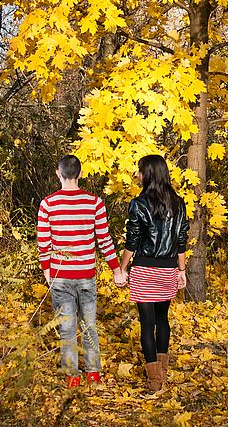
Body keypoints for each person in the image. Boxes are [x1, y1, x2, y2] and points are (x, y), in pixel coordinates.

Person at [37, 154, 127, 388]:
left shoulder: (48, 204)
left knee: (67, 329)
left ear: (58, 173)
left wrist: (47, 270)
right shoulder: (94, 203)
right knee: (89, 325)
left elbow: (43, 242)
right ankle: (93, 372)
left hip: (60, 276)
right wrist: (116, 269)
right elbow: (104, 240)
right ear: (80, 173)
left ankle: (72, 376)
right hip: (86, 275)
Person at [118, 154, 189, 393]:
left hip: (145, 268)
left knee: (147, 324)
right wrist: (181, 270)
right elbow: (181, 240)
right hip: (168, 267)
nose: (137, 175)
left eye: (139, 171)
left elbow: (132, 240)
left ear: (148, 174)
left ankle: (154, 380)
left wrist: (122, 267)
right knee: (162, 319)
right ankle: (163, 371)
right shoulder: (178, 203)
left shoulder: (138, 204)